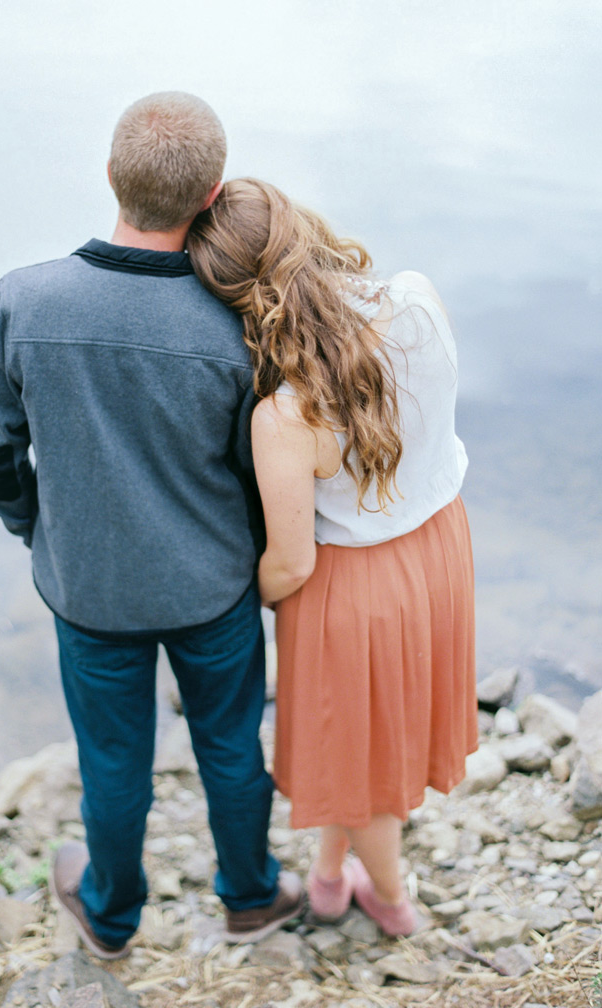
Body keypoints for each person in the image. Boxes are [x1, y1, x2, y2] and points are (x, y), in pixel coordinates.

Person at [0, 97, 303, 959]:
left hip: (90, 589)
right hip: (212, 585)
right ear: (212, 194)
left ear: (112, 175)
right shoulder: (236, 326)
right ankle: (250, 896)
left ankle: (112, 917)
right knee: (231, 747)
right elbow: (259, 475)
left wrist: (34, 530)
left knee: (114, 762)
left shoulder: (22, 299)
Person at [187, 177, 478, 936]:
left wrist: (229, 593)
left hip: (354, 587)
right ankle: (326, 876)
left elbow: (291, 564)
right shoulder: (417, 295)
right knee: (369, 740)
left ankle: (389, 902)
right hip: (441, 547)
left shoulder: (286, 413)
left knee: (369, 774)